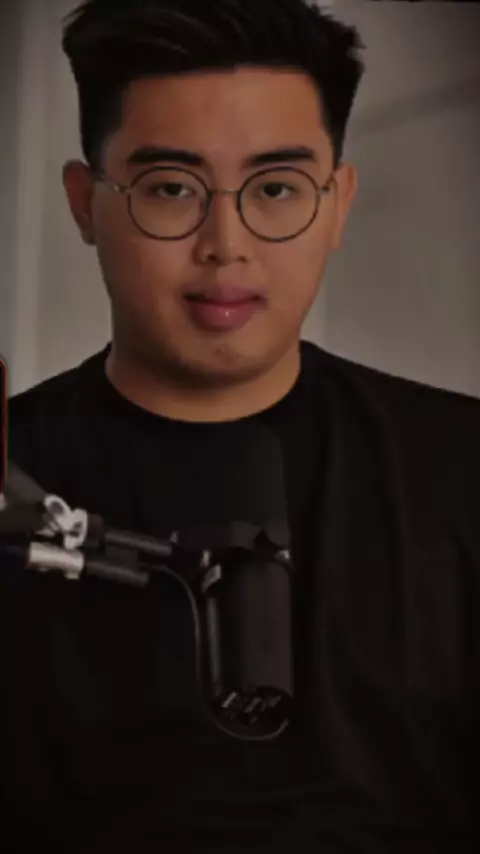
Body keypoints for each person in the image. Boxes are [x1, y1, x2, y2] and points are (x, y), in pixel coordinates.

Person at [3, 0, 480, 851]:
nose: (226, 244)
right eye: (170, 188)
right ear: (84, 203)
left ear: (338, 204)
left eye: (276, 189)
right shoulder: (12, 475)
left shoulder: (463, 468)